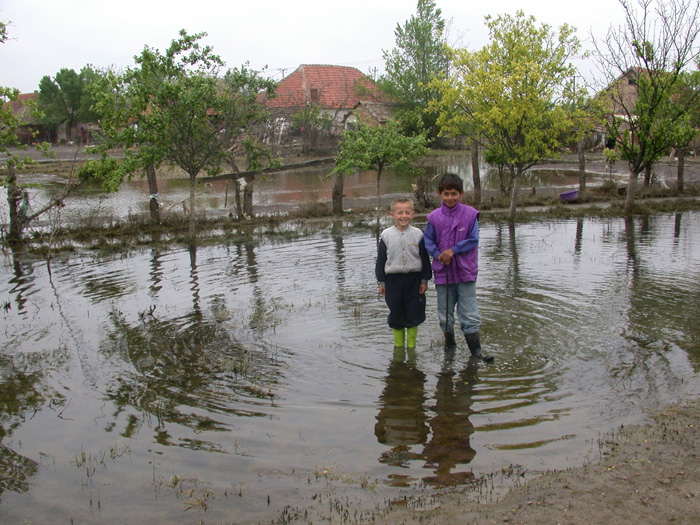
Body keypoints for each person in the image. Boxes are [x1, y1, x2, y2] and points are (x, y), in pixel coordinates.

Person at [424, 173, 493, 362]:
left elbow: (474, 239)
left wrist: (453, 251)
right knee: (445, 315)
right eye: (446, 194)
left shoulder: (471, 214)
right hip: (443, 273)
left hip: (465, 272)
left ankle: (476, 353)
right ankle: (450, 349)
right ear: (439, 194)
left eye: (454, 193)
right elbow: (428, 241)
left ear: (461, 193)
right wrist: (438, 254)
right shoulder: (434, 217)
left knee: (469, 313)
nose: (450, 198)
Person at [375, 198, 432, 348]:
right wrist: (382, 282)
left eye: (407, 212)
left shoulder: (418, 234)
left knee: (414, 312)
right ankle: (399, 348)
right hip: (393, 281)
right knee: (396, 312)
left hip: (414, 280)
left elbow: (425, 259)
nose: (403, 216)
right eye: (400, 212)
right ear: (392, 214)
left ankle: (411, 348)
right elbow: (381, 260)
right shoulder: (386, 235)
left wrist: (424, 280)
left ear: (412, 214)